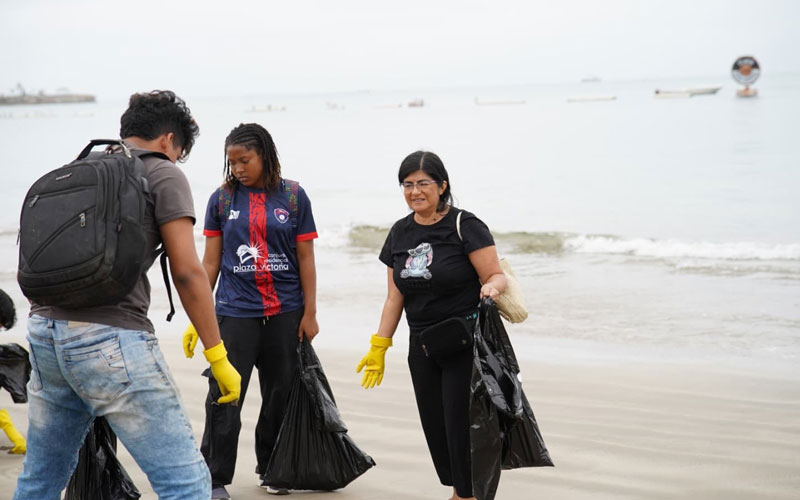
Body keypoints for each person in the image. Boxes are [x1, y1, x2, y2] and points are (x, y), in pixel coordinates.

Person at [12, 90, 242, 500]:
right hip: (111, 340)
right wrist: (217, 355)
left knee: (41, 480)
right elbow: (188, 272)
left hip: (45, 332)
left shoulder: (83, 166)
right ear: (170, 140)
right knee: (186, 484)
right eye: (180, 152)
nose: (177, 161)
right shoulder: (162, 172)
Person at [356, 151, 507, 500]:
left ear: (442, 185)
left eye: (423, 183)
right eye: (407, 185)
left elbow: (496, 274)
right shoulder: (400, 232)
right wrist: (379, 346)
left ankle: (466, 495)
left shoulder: (464, 225)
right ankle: (461, 491)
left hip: (463, 342)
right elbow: (395, 296)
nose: (415, 191)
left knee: (461, 426)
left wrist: (491, 288)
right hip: (422, 346)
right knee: (436, 429)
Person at [182, 122, 319, 499]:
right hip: (234, 313)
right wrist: (199, 316)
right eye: (232, 162)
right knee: (225, 394)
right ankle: (213, 477)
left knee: (281, 393)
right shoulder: (222, 200)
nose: (238, 168)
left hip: (285, 312)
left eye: (245, 160)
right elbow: (210, 263)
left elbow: (306, 258)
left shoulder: (293, 197)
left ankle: (273, 469)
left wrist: (310, 312)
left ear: (265, 155)